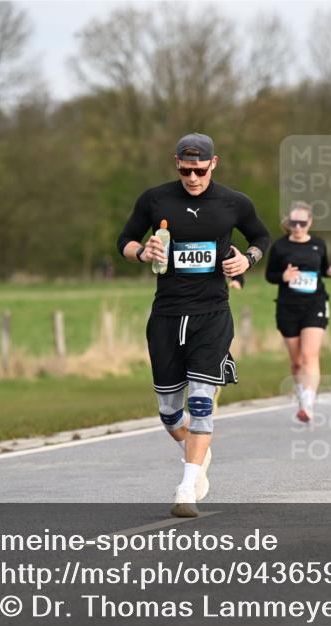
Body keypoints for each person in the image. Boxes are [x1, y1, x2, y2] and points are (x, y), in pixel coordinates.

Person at [117, 132, 271, 518]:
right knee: (170, 412)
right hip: (167, 315)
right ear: (176, 164)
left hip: (212, 314)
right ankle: (198, 455)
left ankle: (186, 489)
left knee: (201, 403)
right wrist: (141, 251)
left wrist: (247, 260)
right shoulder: (155, 199)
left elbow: (261, 236)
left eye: (200, 170)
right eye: (185, 170)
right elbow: (124, 239)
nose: (192, 178)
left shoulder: (234, 203)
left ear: (213, 164)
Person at [265, 201, 331, 422]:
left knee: (310, 355)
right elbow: (269, 275)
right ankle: (302, 396)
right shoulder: (279, 247)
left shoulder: (318, 244)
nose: (297, 227)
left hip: (314, 304)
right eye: (293, 223)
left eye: (302, 223)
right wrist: (283, 277)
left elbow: (323, 269)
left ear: (310, 222)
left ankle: (308, 404)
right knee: (297, 361)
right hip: (288, 307)